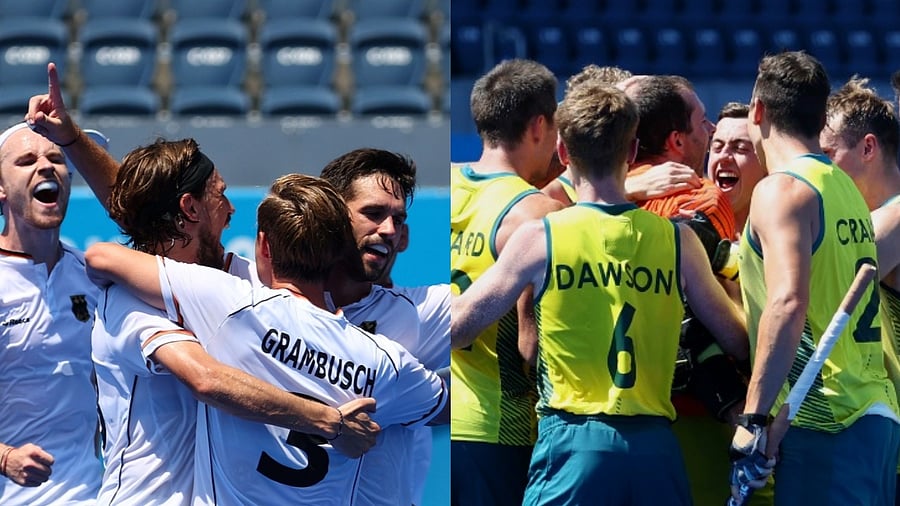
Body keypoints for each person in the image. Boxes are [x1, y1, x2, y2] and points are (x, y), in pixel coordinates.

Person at [23, 63, 380, 504]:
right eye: (221, 195)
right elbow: (207, 380)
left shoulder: (226, 277)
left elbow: (141, 205)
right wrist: (328, 421)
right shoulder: (131, 304)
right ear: (191, 209)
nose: (231, 210)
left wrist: (73, 140)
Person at [452, 81, 747, 505]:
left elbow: (462, 330)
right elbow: (736, 339)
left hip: (572, 444)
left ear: (565, 155)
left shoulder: (540, 236)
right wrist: (735, 276)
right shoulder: (679, 242)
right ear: (631, 153)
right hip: (655, 446)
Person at [84, 173, 449, 506]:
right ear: (339, 253)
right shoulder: (386, 361)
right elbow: (442, 407)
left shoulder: (230, 307)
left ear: (264, 248)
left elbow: (105, 257)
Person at [734, 51, 900, 505]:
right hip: (872, 410)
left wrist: (753, 418)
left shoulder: (782, 189)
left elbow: (788, 303)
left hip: (824, 415)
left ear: (758, 111)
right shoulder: (846, 188)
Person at [622, 74, 753, 506]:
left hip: (600, 411)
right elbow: (699, 310)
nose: (711, 130)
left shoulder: (590, 195)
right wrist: (733, 401)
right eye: (703, 123)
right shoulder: (701, 198)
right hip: (691, 412)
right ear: (677, 140)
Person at [449, 58, 566, 506]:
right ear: (539, 125)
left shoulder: (448, 185)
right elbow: (531, 347)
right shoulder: (533, 213)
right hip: (497, 425)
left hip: (434, 417)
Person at [319, 147, 450, 506]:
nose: (389, 230)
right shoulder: (266, 302)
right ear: (329, 214)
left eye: (398, 219)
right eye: (373, 214)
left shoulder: (421, 312)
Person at [0, 122, 102, 504]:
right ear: (1, 190)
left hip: (90, 493)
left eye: (57, 158)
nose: (45, 166)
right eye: (27, 160)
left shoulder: (94, 277)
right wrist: (5, 457)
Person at [820, 75, 900, 503]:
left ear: (868, 148)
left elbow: (826, 291)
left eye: (828, 154)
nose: (819, 168)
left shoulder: (894, 218)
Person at [708, 102, 767, 234]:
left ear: (766, 161)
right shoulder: (688, 229)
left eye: (740, 148)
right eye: (717, 147)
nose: (723, 156)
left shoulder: (784, 233)